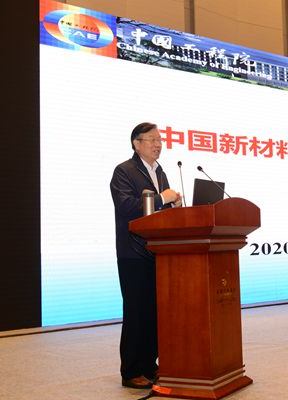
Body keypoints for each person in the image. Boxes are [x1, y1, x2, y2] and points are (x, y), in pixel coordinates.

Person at [110, 122, 182, 389]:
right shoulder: (124, 171)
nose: (158, 144)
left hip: (157, 251)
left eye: (160, 140)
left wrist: (174, 204)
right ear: (136, 143)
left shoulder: (159, 171)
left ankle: (150, 365)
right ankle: (130, 371)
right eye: (152, 139)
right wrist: (163, 198)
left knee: (155, 312)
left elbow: (160, 212)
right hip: (133, 252)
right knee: (136, 312)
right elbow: (127, 206)